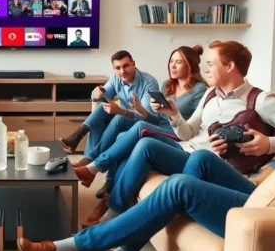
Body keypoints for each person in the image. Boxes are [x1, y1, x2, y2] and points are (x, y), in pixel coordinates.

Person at [18, 41, 275, 251]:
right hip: (204, 160)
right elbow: (189, 131)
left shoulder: (261, 100)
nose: (205, 68)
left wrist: (270, 143)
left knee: (177, 182)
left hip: (241, 184)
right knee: (179, 153)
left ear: (230, 65)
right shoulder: (211, 95)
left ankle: (69, 246)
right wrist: (174, 115)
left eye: (211, 63)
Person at [84, 45, 209, 201]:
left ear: (190, 65)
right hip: (158, 128)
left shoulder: (200, 90)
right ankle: (109, 184)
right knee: (123, 134)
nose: (172, 66)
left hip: (178, 134)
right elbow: (155, 119)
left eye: (178, 62)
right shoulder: (167, 85)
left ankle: (94, 166)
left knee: (139, 126)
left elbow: (200, 124)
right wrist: (142, 111)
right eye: (171, 61)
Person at [59, 50, 160, 158]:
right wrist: (96, 94)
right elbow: (103, 95)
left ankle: (88, 157)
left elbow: (145, 116)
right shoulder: (116, 79)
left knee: (118, 118)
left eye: (126, 66)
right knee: (101, 110)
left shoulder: (149, 82)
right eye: (118, 68)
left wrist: (121, 111)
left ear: (133, 64)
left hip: (144, 123)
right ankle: (79, 138)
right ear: (114, 69)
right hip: (126, 118)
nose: (122, 71)